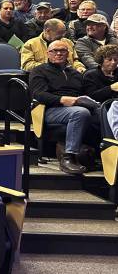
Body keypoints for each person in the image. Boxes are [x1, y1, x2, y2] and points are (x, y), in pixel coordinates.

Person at [30, 40, 99, 174]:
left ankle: (102, 155)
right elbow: (39, 94)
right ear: (47, 53)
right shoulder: (39, 71)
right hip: (49, 110)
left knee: (101, 112)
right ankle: (68, 158)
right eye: (55, 51)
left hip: (75, 106)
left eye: (63, 51)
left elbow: (85, 93)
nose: (59, 53)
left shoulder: (75, 73)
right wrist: (62, 100)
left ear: (68, 54)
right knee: (81, 113)